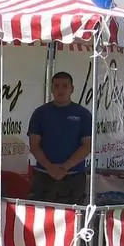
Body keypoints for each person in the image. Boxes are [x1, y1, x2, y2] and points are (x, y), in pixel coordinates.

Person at [28, 71, 92, 205]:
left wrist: (64, 168)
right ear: (51, 89)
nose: (60, 90)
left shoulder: (83, 114)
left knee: (74, 219)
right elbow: (34, 145)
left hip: (73, 177)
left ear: (72, 89)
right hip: (44, 175)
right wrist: (49, 167)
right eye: (56, 86)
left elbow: (87, 146)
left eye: (64, 86)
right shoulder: (40, 113)